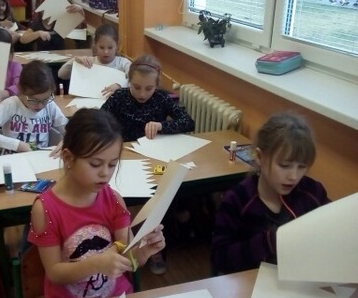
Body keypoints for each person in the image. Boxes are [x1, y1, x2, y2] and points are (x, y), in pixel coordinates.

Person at [27, 108, 166, 298]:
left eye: (112, 165)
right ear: (68, 158)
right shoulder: (45, 209)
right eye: (95, 164)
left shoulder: (114, 199)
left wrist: (143, 252)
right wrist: (96, 264)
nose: (105, 174)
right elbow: (55, 273)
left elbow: (127, 258)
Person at [101, 54, 195, 275]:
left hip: (154, 159)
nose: (142, 94)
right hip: (124, 160)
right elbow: (98, 120)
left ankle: (155, 246)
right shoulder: (120, 97)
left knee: (163, 195)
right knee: (124, 200)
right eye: (136, 87)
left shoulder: (161, 98)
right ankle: (125, 243)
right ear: (129, 81)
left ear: (157, 84)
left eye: (148, 88)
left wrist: (162, 125)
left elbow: (188, 122)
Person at [211, 112, 330, 275]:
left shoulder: (313, 193)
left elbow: (331, 236)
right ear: (260, 157)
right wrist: (269, 241)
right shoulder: (238, 199)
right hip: (250, 284)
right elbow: (220, 259)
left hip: (301, 280)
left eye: (302, 167)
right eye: (284, 165)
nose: (294, 176)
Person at [0, 60, 67, 154]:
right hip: (12, 159)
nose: (40, 105)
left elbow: (69, 131)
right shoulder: (11, 105)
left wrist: (66, 141)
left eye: (45, 100)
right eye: (34, 100)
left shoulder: (50, 106)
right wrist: (16, 145)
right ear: (20, 90)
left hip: (38, 159)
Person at [58, 23, 131, 97]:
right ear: (95, 45)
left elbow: (134, 80)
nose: (106, 52)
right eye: (101, 47)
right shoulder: (89, 62)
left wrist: (120, 85)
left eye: (110, 48)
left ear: (117, 46)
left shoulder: (123, 63)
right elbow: (61, 74)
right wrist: (75, 60)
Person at [19, 0, 85, 51]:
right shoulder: (37, 24)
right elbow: (23, 39)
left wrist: (81, 10)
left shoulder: (61, 22)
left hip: (61, 56)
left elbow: (80, 28)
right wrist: (38, 33)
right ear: (41, 11)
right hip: (43, 57)